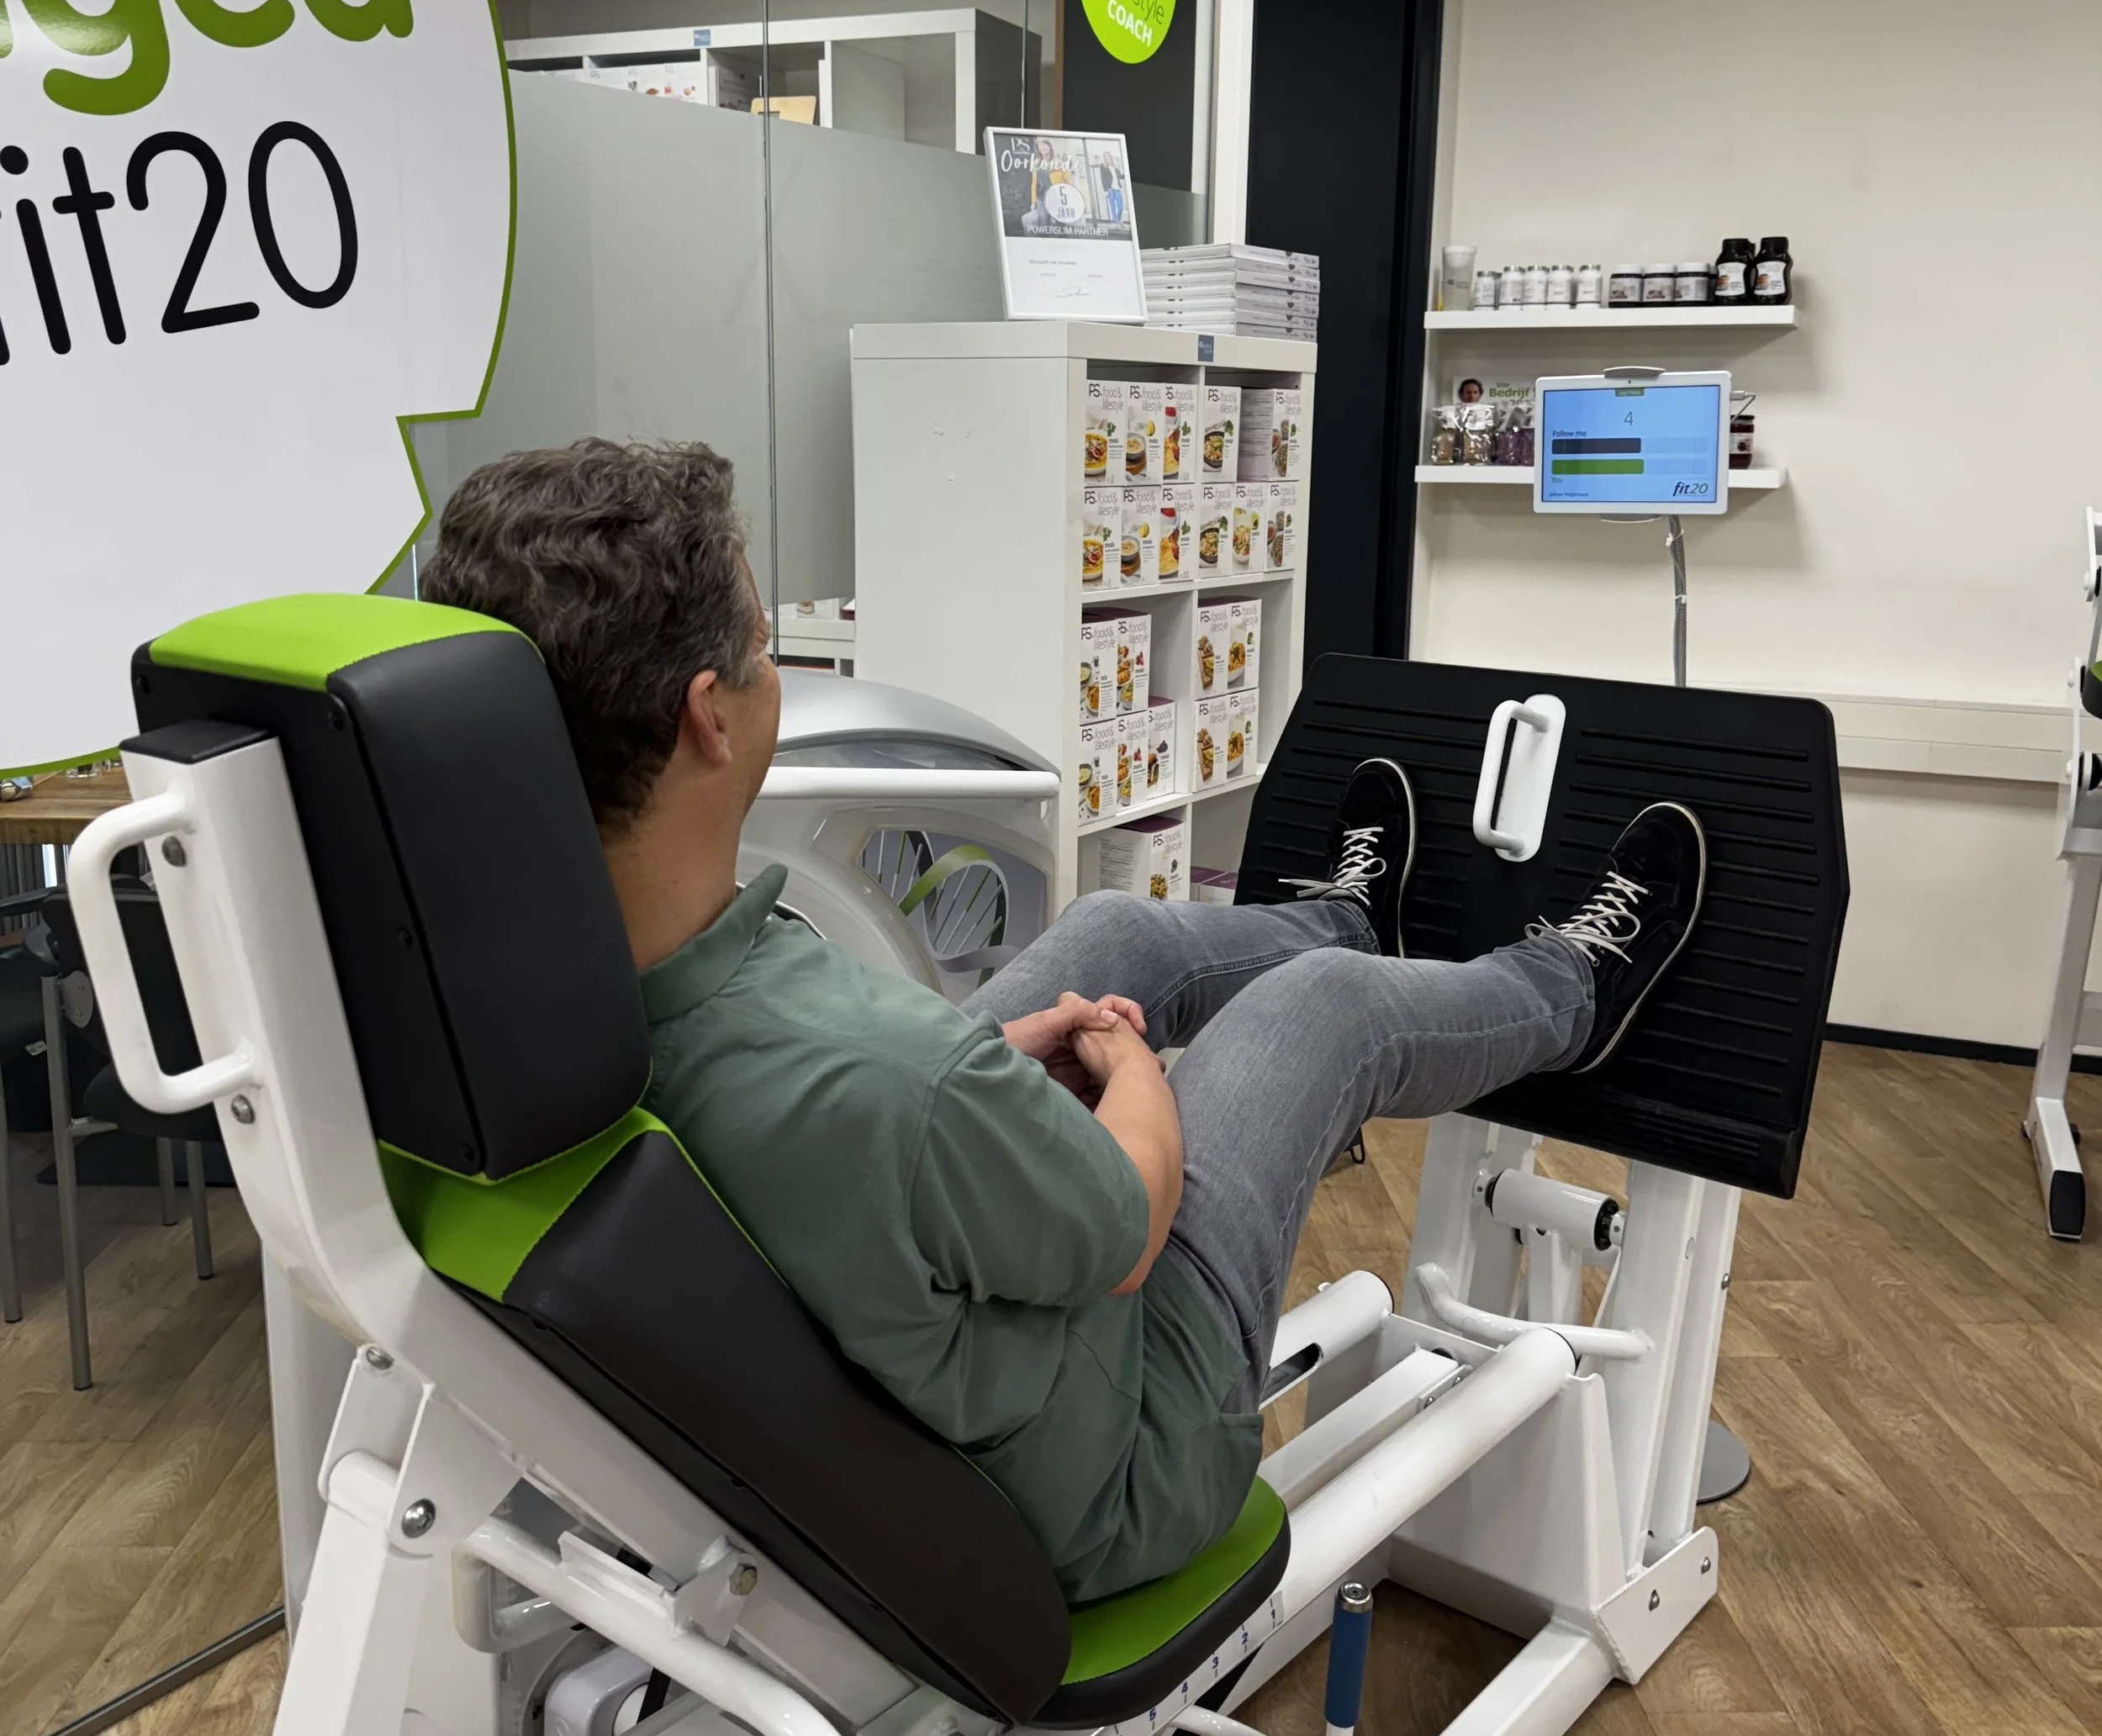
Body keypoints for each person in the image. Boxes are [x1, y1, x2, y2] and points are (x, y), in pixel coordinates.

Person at [424, 439, 1706, 1607]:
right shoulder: (891, 1082)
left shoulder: (509, 1000)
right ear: (710, 715)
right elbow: (1128, 1223)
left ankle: (1345, 917)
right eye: (767, 647)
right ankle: (1570, 992)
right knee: (1318, 1012)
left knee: (1112, 933)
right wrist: (1129, 1066)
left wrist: (979, 1076)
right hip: (1119, 1464)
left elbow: (875, 1118)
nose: (779, 671)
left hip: (883, 1279)